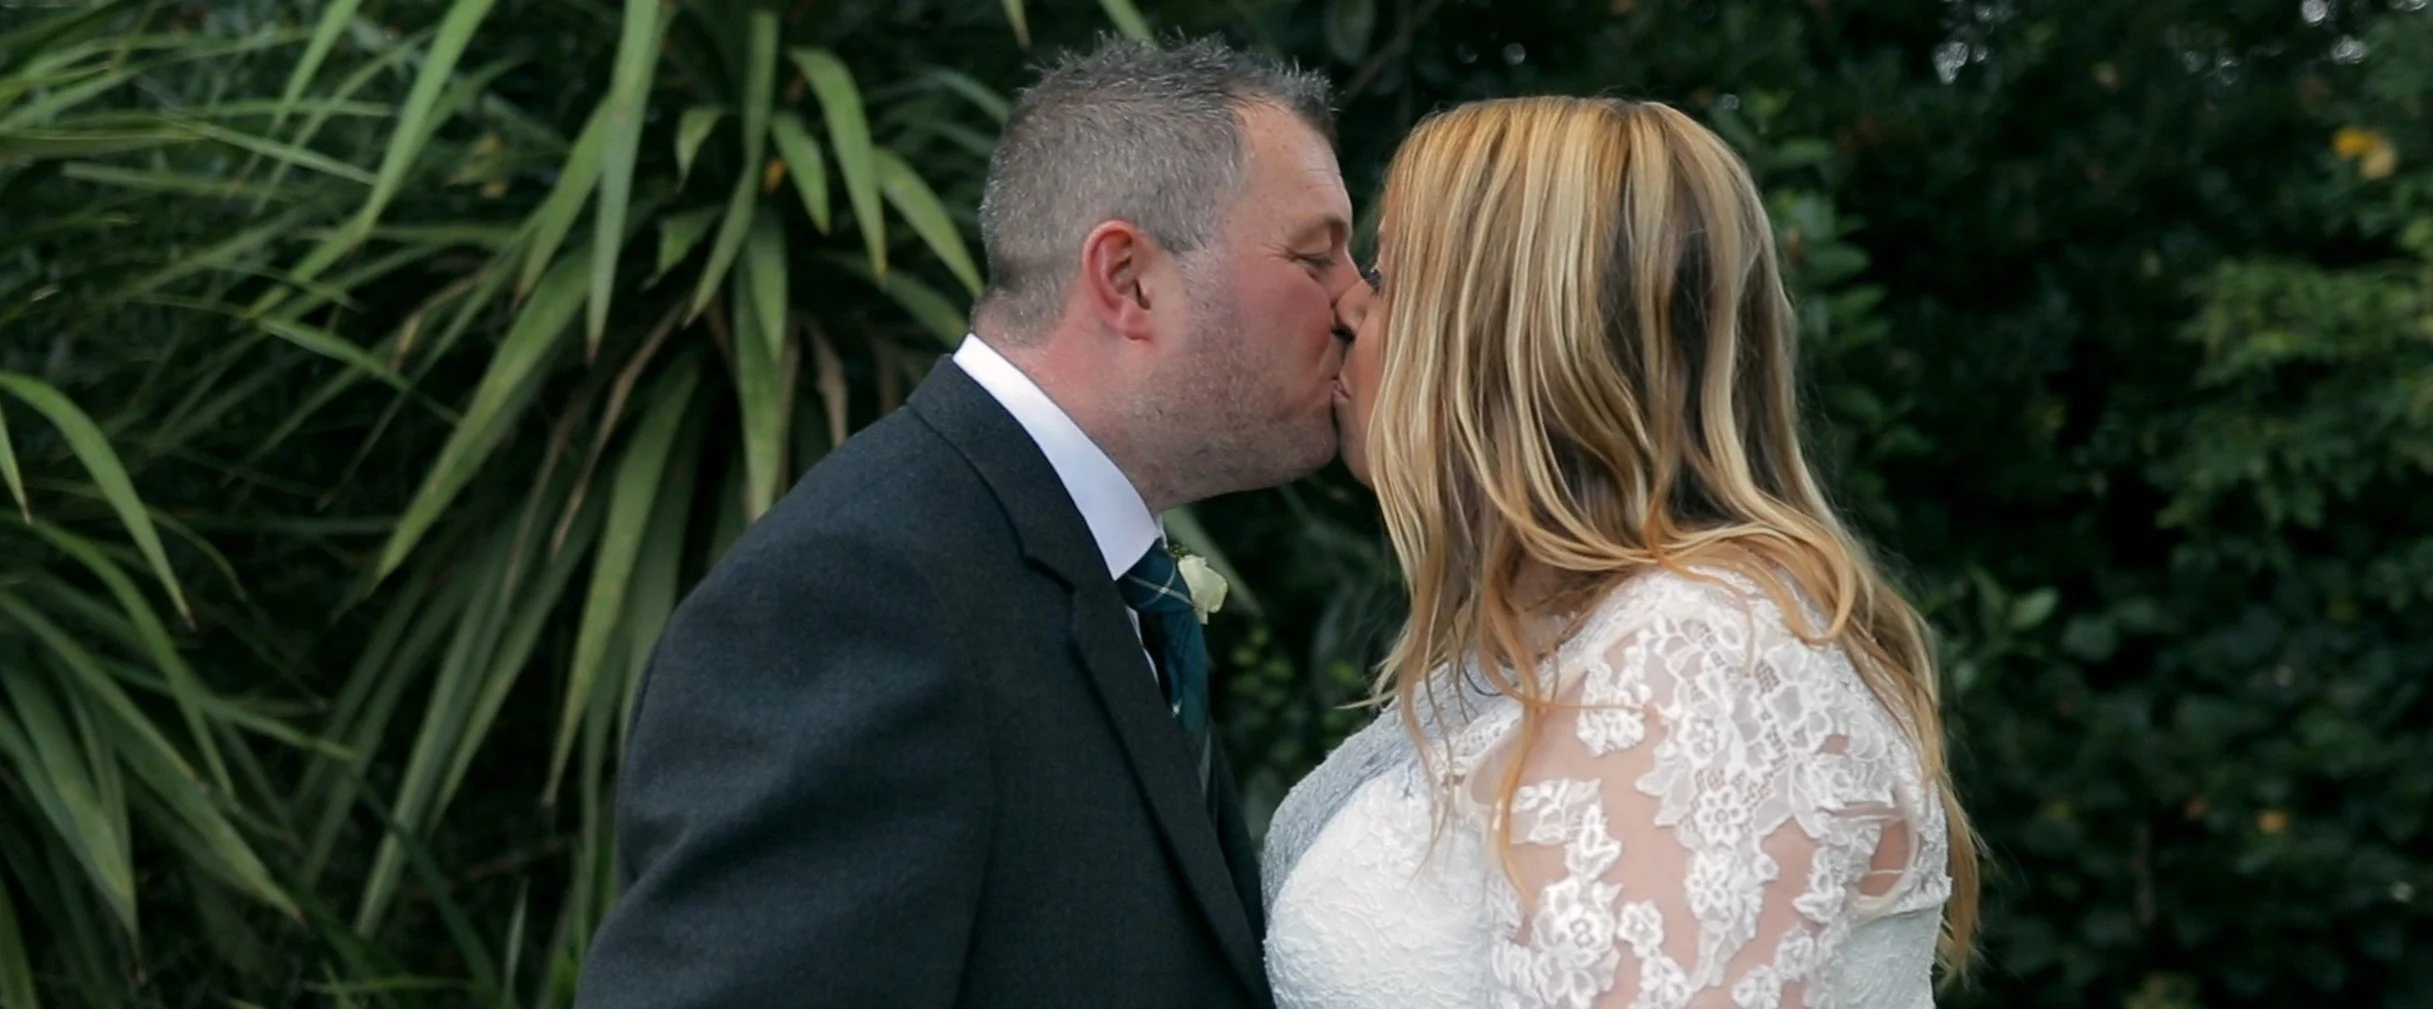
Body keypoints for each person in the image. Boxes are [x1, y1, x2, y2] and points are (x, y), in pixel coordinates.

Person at [576, 36, 1358, 1009]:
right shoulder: (859, 591)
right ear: (1127, 279)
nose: (1356, 304)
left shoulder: (1081, 562)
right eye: (1316, 256)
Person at [1260, 96, 1982, 1009]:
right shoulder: (1554, 642)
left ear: (1502, 333)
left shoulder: (1703, 658)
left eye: (1389, 276)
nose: (1350, 309)